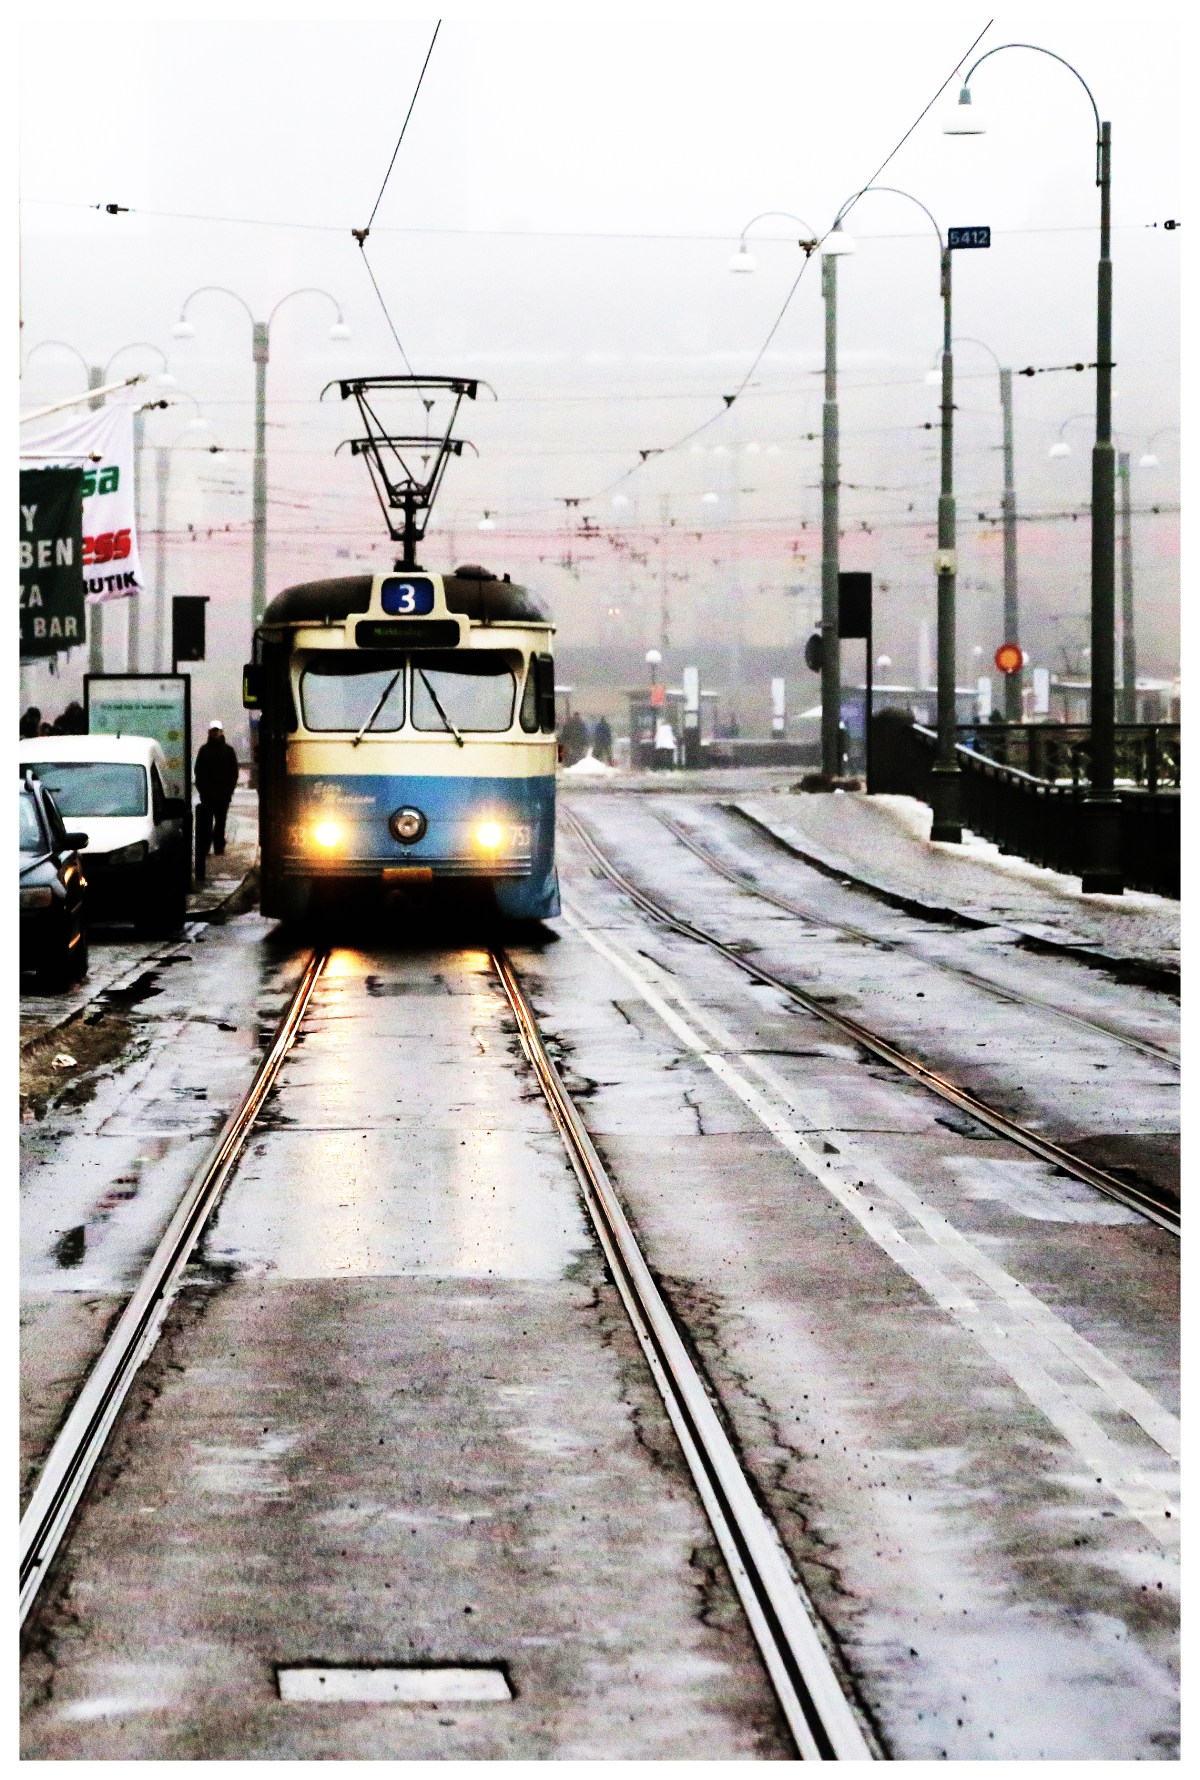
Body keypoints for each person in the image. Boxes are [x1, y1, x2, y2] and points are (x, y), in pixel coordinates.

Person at [193, 719, 240, 882]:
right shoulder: (205, 750)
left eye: (217, 730)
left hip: (221, 794)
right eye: (212, 730)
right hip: (209, 794)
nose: (214, 733)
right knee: (207, 823)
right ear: (209, 732)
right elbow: (198, 771)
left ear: (221, 732)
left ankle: (218, 845)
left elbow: (234, 772)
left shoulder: (227, 751)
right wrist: (202, 789)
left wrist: (229, 789)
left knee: (220, 821)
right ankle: (209, 847)